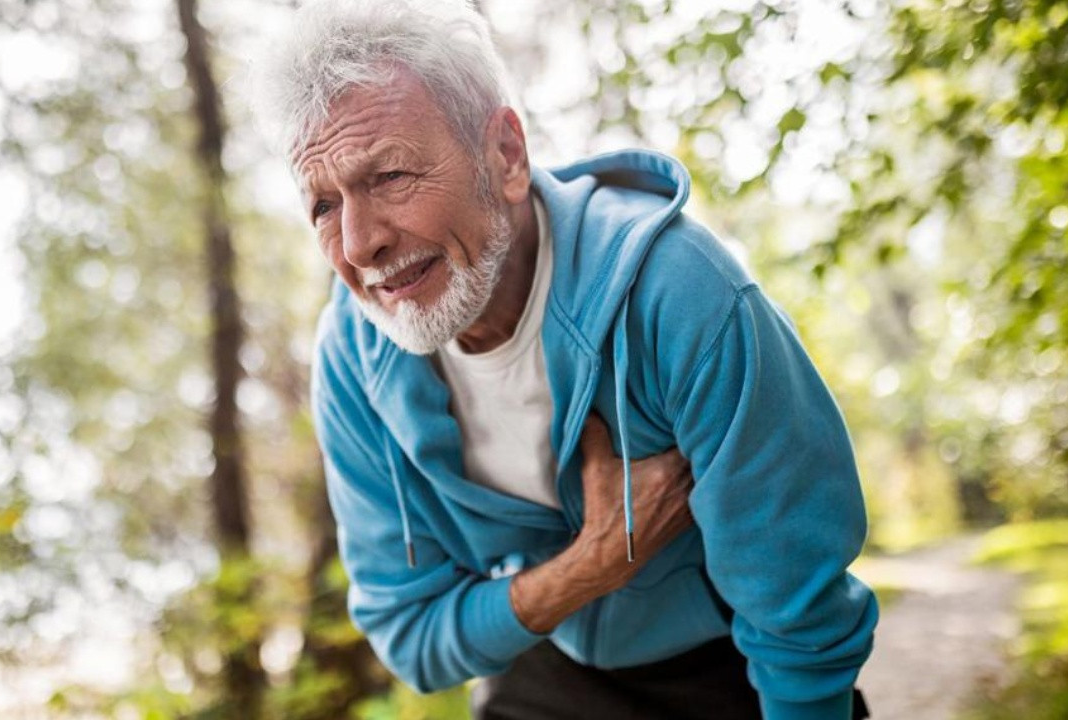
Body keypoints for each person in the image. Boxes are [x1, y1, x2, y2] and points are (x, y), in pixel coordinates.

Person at [252, 1, 876, 718]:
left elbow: (798, 610)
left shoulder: (678, 291)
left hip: (734, 656)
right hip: (545, 654)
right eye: (323, 206)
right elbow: (411, 637)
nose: (360, 244)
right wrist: (594, 564)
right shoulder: (352, 357)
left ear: (505, 156)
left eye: (390, 175)